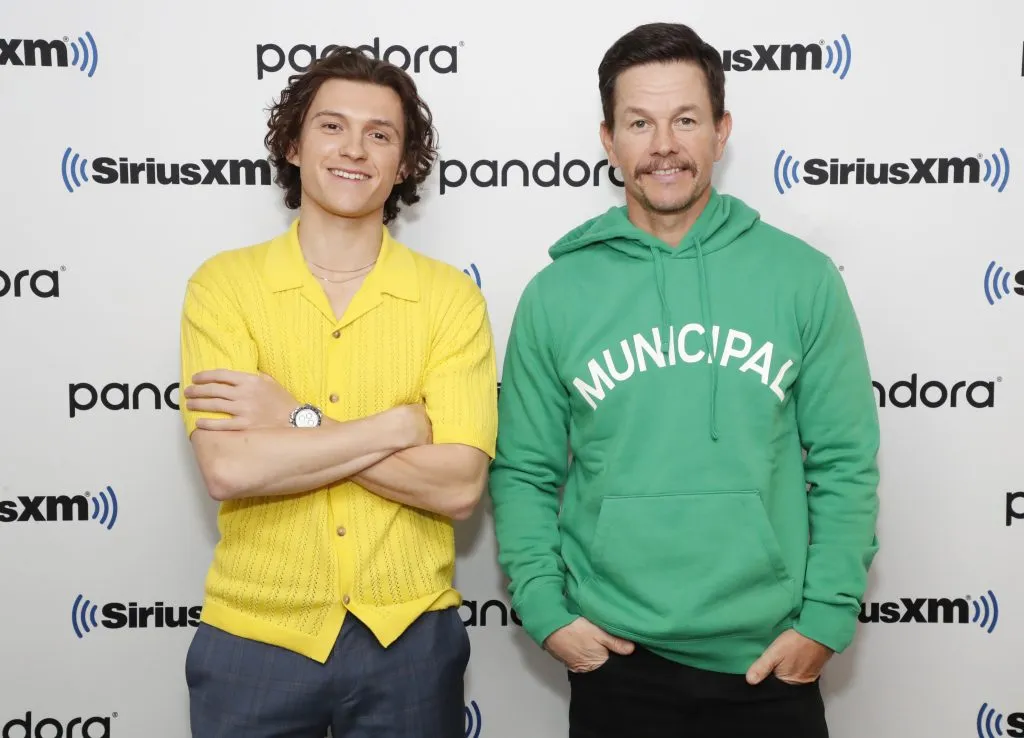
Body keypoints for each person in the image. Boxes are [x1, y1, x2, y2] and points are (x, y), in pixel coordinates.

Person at [488, 22, 880, 738]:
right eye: (640, 122)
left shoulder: (800, 278)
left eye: (685, 120)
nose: (663, 143)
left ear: (721, 132)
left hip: (770, 661)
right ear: (609, 139)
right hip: (616, 661)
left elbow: (846, 463)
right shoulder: (557, 294)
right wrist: (547, 613)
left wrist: (826, 617)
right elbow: (522, 472)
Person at [176, 46, 497, 738]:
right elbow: (229, 468)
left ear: (405, 163)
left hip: (410, 639)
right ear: (292, 144)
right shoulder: (223, 287)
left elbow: (458, 486)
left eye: (380, 134)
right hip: (254, 641)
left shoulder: (450, 299)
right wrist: (390, 427)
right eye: (331, 126)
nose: (354, 149)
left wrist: (291, 423)